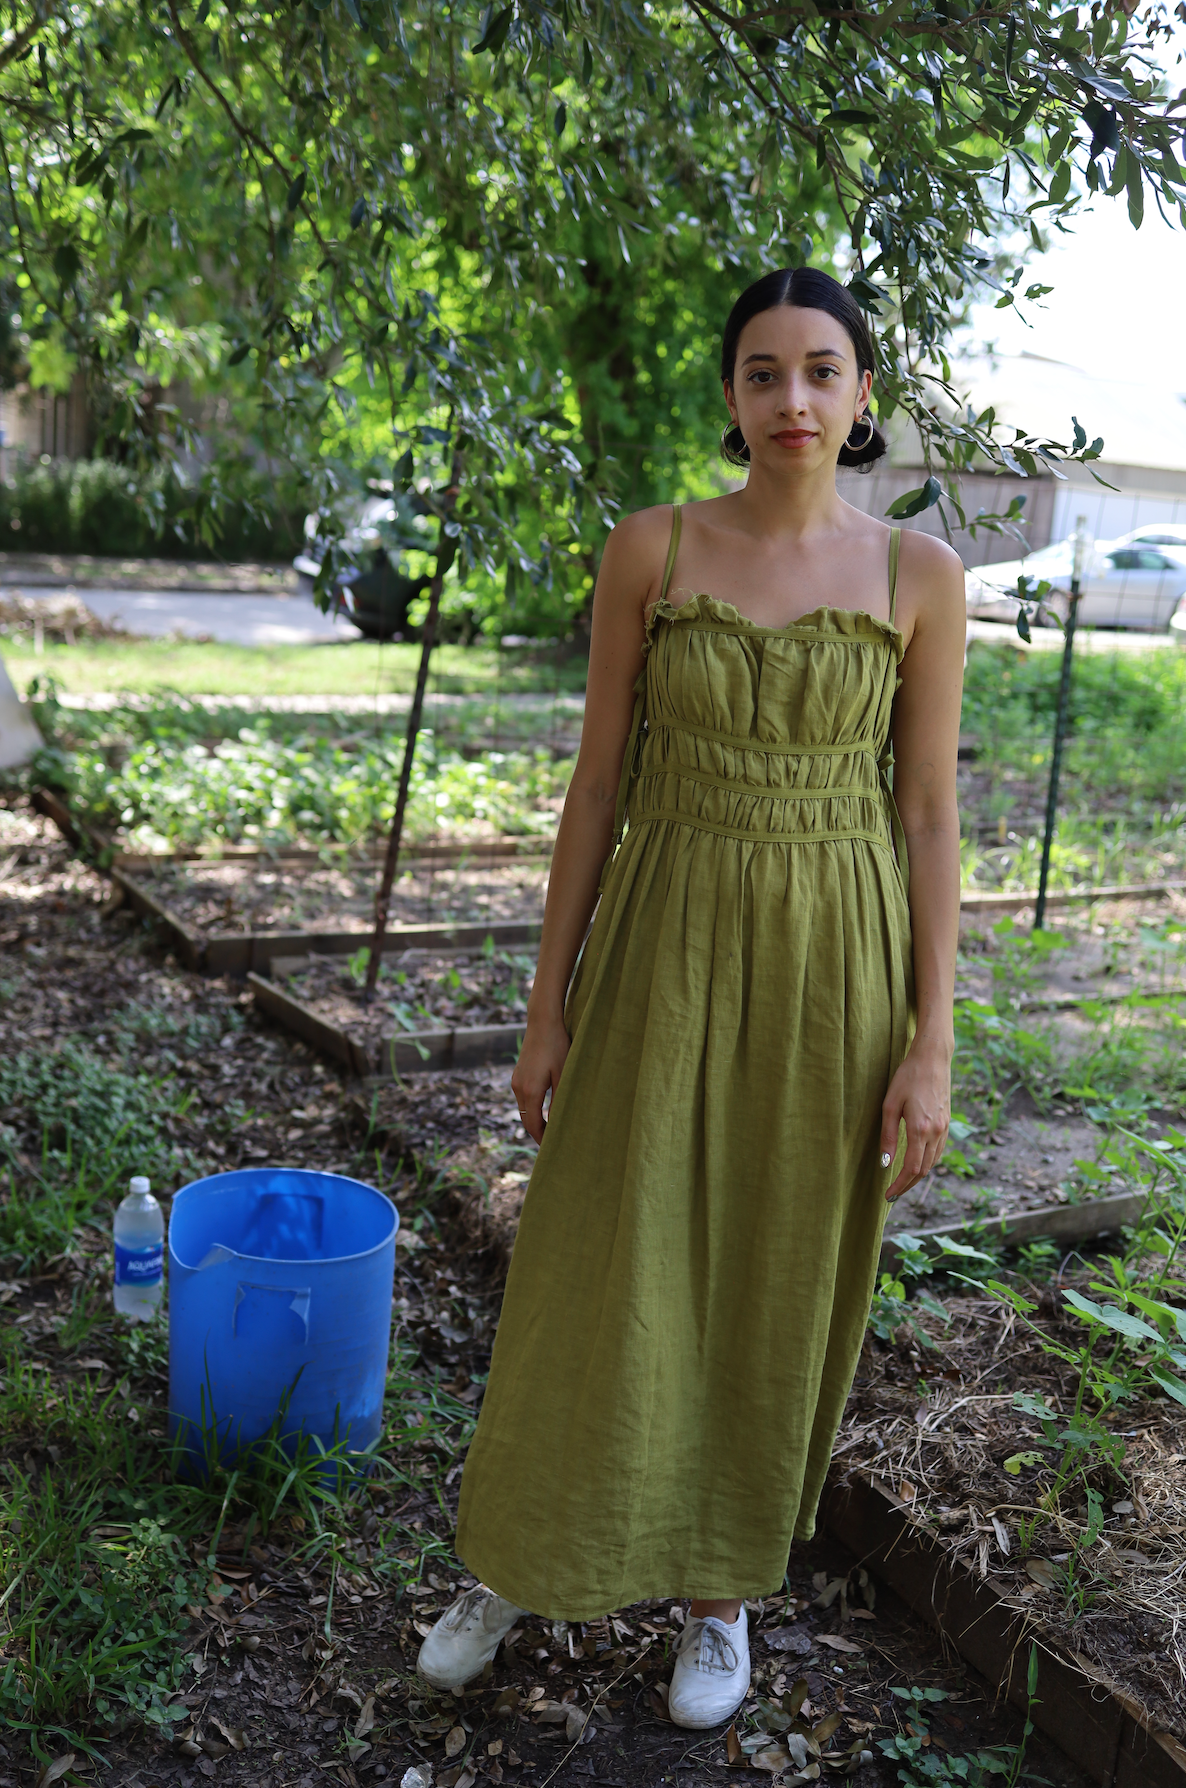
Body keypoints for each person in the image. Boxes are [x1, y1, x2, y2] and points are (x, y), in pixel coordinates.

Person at [416, 266, 965, 1728]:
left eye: (821, 370)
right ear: (729, 394)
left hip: (830, 963)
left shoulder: (919, 578)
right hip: (659, 937)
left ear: (863, 396)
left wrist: (930, 1047)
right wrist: (546, 1008)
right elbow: (595, 784)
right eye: (762, 371)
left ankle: (719, 1598)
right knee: (595, 1254)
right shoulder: (649, 550)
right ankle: (521, 1552)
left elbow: (922, 815)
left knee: (773, 1272)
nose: (792, 397)